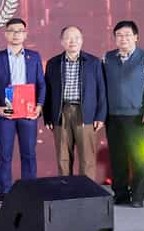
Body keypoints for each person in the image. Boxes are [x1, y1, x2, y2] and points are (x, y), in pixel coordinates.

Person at [103, 19, 144, 208]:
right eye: (119, 35)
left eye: (127, 35)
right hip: (112, 115)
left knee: (138, 157)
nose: (123, 39)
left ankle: (137, 196)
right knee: (117, 158)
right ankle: (120, 194)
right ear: (114, 38)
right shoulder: (107, 58)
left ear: (136, 37)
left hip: (136, 116)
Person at [0, 16, 46, 200]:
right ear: (5, 34)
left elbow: (41, 84)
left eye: (20, 31)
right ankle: (4, 191)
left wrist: (39, 106)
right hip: (6, 113)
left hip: (28, 113)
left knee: (28, 153)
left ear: (25, 34)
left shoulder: (34, 57)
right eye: (12, 31)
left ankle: (29, 190)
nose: (16, 34)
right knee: (5, 154)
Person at [43, 25, 106, 183]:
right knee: (63, 157)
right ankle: (66, 189)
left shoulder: (93, 62)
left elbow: (101, 90)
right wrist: (47, 117)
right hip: (61, 112)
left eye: (76, 38)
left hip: (85, 113)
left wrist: (100, 116)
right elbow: (47, 92)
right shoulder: (53, 63)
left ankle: (87, 190)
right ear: (62, 41)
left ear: (82, 40)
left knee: (87, 157)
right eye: (68, 38)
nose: (73, 41)